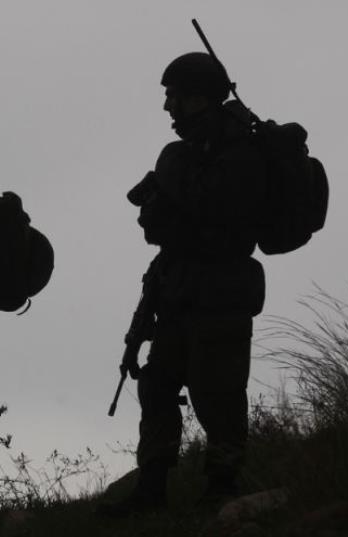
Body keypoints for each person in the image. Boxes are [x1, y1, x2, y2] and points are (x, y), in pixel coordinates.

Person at [102, 52, 267, 515]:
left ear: (198, 98)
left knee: (218, 392)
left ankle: (223, 485)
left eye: (173, 96)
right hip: (179, 287)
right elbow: (167, 222)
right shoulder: (192, 151)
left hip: (221, 288)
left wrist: (166, 207)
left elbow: (212, 213)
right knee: (156, 387)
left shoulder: (238, 151)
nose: (167, 107)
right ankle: (152, 488)